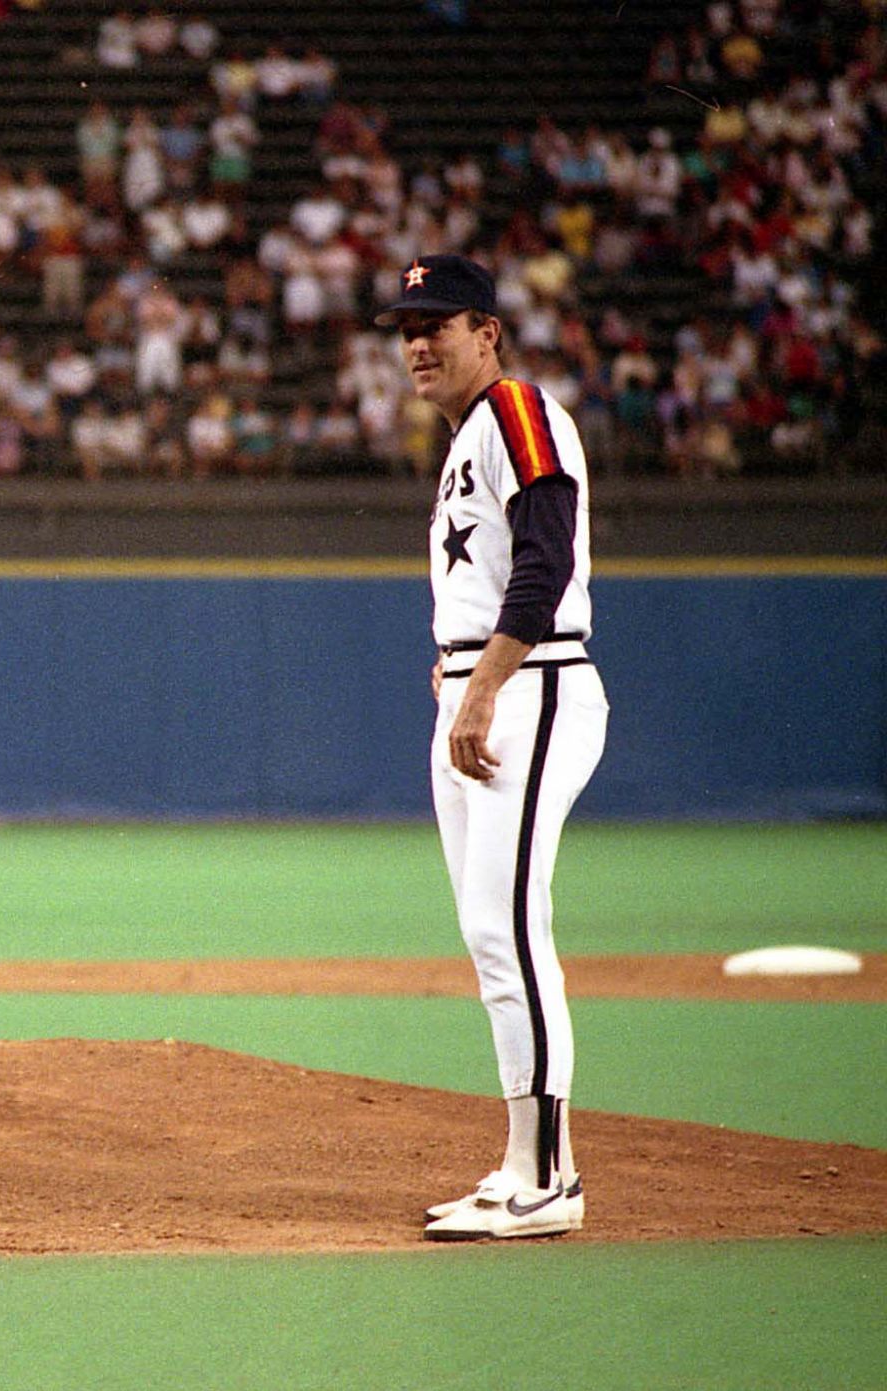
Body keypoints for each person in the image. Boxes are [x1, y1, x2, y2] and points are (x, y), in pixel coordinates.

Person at [375, 255, 608, 1241]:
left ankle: (549, 1176)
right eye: (405, 325)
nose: (417, 340)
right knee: (487, 931)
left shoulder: (515, 410)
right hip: (487, 686)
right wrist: (459, 665)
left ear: (488, 332)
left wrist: (483, 681)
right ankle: (518, 1161)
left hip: (531, 688)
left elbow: (546, 556)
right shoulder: (470, 431)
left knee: (511, 927)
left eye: (438, 321)